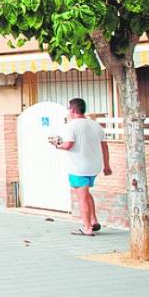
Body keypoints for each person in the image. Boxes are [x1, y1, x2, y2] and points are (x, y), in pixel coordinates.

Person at [50, 97, 111, 236]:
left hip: (78, 167)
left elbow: (68, 145)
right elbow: (105, 146)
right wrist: (107, 166)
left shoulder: (71, 126)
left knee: (82, 197)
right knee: (86, 193)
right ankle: (94, 220)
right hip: (94, 166)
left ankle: (87, 228)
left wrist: (56, 145)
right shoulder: (95, 125)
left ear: (72, 110)